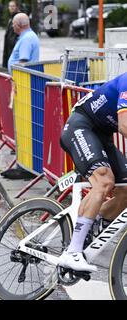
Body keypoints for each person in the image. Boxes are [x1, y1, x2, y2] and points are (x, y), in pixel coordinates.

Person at [58, 72, 127, 272]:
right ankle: (72, 252)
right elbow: (124, 125)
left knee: (124, 190)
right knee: (104, 181)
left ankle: (91, 222)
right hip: (80, 126)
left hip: (101, 136)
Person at [2, 1, 21, 69]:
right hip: (9, 48)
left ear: (17, 7)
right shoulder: (11, 18)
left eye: (13, 6)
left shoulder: (19, 17)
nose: (11, 8)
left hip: (13, 48)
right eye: (10, 6)